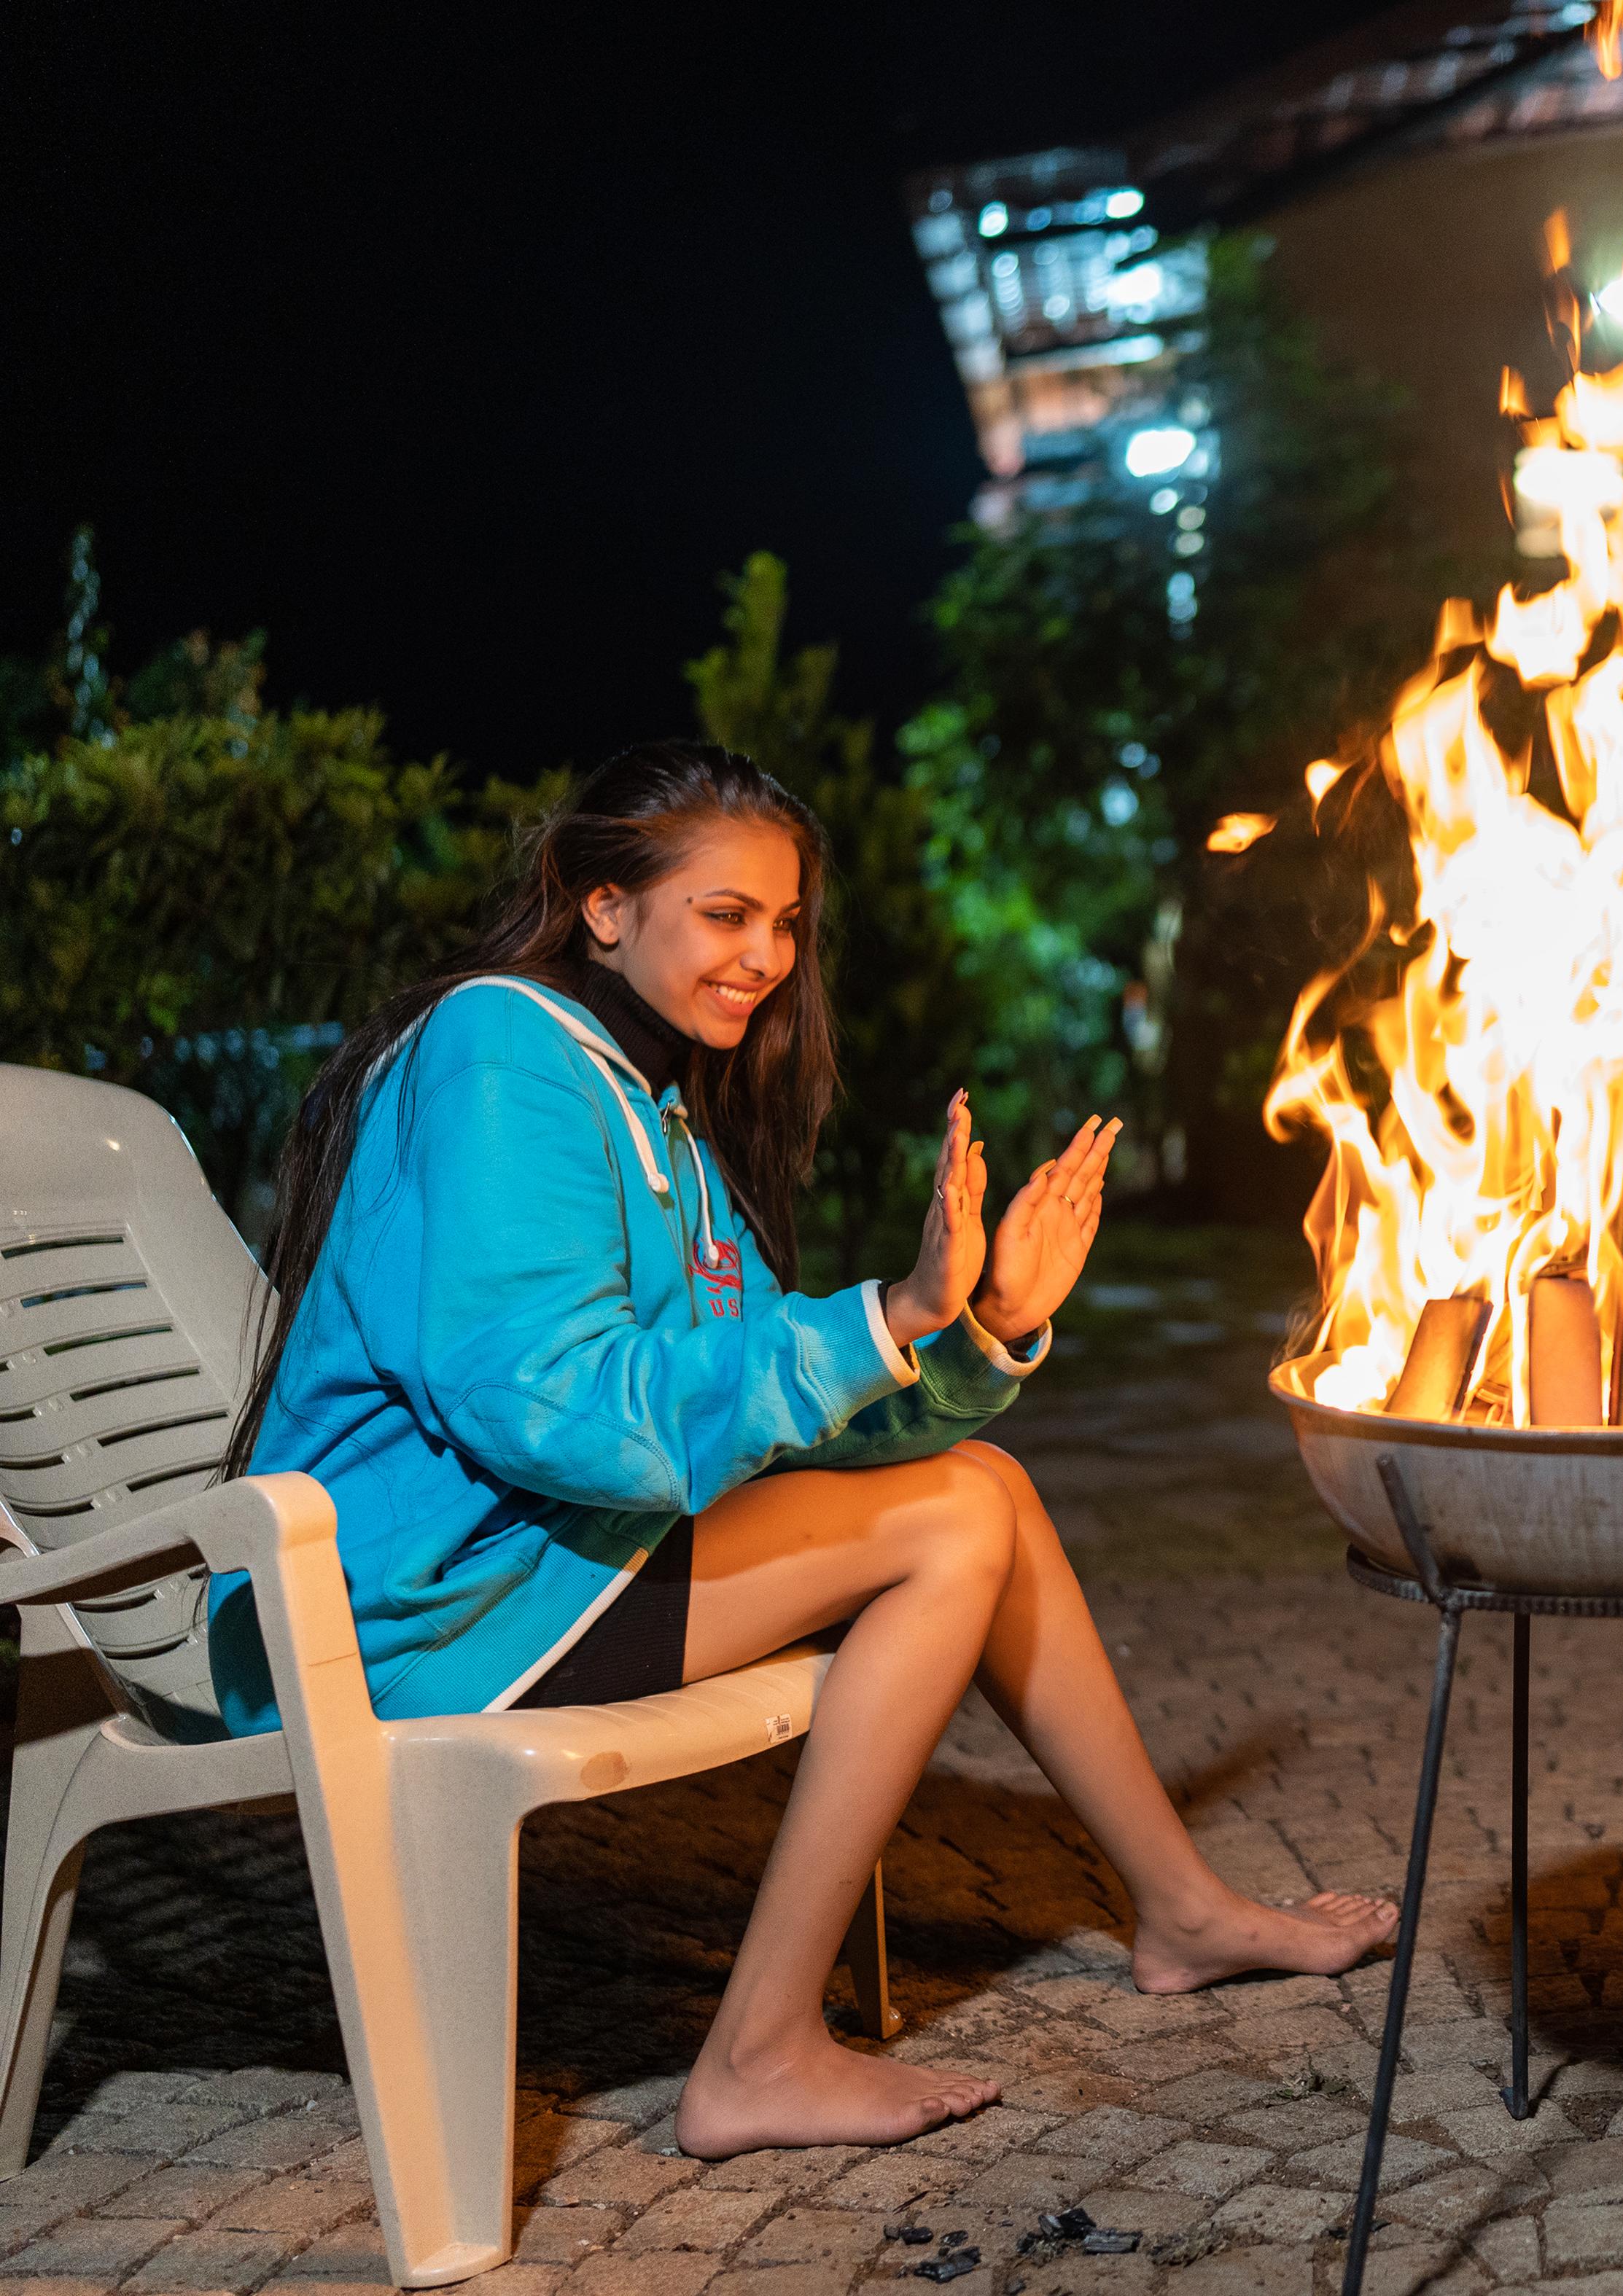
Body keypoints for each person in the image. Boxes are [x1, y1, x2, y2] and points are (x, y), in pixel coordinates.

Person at [217, 741, 1396, 2159]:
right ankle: (760, 2053)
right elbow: (549, 1403)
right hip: (410, 1613)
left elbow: (780, 1414)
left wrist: (982, 1327)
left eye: (784, 922)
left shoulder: (652, 1110)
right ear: (604, 906)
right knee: (955, 1524)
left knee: (980, 1490)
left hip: (536, 1564)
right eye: (726, 914)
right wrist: (881, 1314)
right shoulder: (497, 1050)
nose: (767, 957)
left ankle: (1182, 1911)